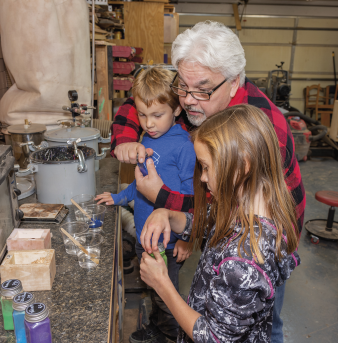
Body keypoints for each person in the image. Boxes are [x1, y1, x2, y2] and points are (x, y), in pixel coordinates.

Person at [110, 21, 306, 343]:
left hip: (269, 243)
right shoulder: (198, 97)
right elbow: (141, 104)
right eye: (181, 87)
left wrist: (163, 197)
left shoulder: (259, 132)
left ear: (233, 84)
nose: (187, 101)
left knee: (264, 324)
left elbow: (220, 203)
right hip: (231, 233)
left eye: (200, 89)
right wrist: (127, 140)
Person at [139, 104, 301, 343]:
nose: (202, 178)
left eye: (205, 167)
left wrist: (162, 284)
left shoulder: (244, 260)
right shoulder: (246, 206)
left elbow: (213, 337)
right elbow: (209, 224)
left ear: (242, 166)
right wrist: (167, 214)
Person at [96, 67, 196, 343]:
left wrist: (188, 239)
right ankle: (157, 326)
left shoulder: (185, 147)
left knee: (166, 293)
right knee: (153, 288)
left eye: (157, 115)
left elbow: (192, 198)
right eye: (142, 115)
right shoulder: (146, 139)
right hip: (144, 237)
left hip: (166, 241)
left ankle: (172, 335)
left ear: (176, 109)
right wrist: (117, 198)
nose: (149, 123)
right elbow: (140, 184)